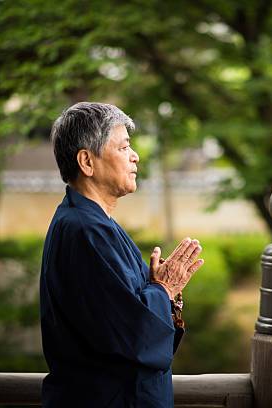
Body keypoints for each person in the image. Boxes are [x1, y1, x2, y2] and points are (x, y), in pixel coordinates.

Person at [39, 102, 203, 407]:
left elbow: (126, 310)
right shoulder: (86, 230)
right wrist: (164, 289)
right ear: (87, 161)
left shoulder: (93, 223)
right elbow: (133, 335)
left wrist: (162, 292)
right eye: (124, 146)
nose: (135, 156)